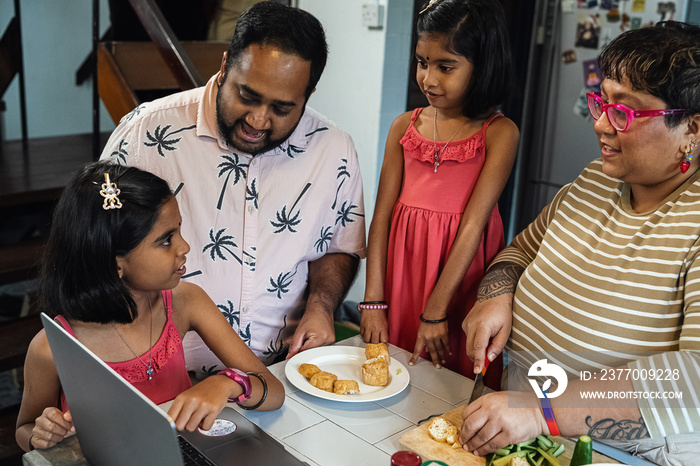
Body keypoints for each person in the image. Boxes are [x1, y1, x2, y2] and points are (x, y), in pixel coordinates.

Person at [460, 21, 700, 465]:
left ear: (693, 129)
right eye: (601, 102)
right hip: (519, 429)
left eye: (625, 112)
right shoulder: (592, 181)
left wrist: (542, 410)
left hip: (614, 451)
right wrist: (495, 297)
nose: (602, 125)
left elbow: (694, 379)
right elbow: (517, 253)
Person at [100, 2, 366, 377]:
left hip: (280, 375)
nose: (258, 120)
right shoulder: (146, 134)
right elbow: (98, 245)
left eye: (282, 108)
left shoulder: (334, 149)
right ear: (225, 66)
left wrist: (321, 306)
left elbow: (339, 246)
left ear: (309, 92)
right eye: (248, 96)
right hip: (162, 379)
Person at [15, 162, 284, 452]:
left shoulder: (185, 301)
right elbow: (24, 428)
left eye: (178, 230)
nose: (184, 248)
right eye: (166, 240)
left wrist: (229, 383)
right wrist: (40, 433)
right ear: (115, 263)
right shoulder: (52, 347)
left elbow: (273, 391)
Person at [360, 0, 518, 385]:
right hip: (400, 276)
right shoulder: (403, 126)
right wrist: (373, 301)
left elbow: (473, 227)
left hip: (457, 282)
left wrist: (436, 311)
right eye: (422, 62)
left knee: (448, 387)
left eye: (445, 67)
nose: (428, 79)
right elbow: (380, 217)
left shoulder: (500, 133)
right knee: (391, 376)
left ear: (483, 66)